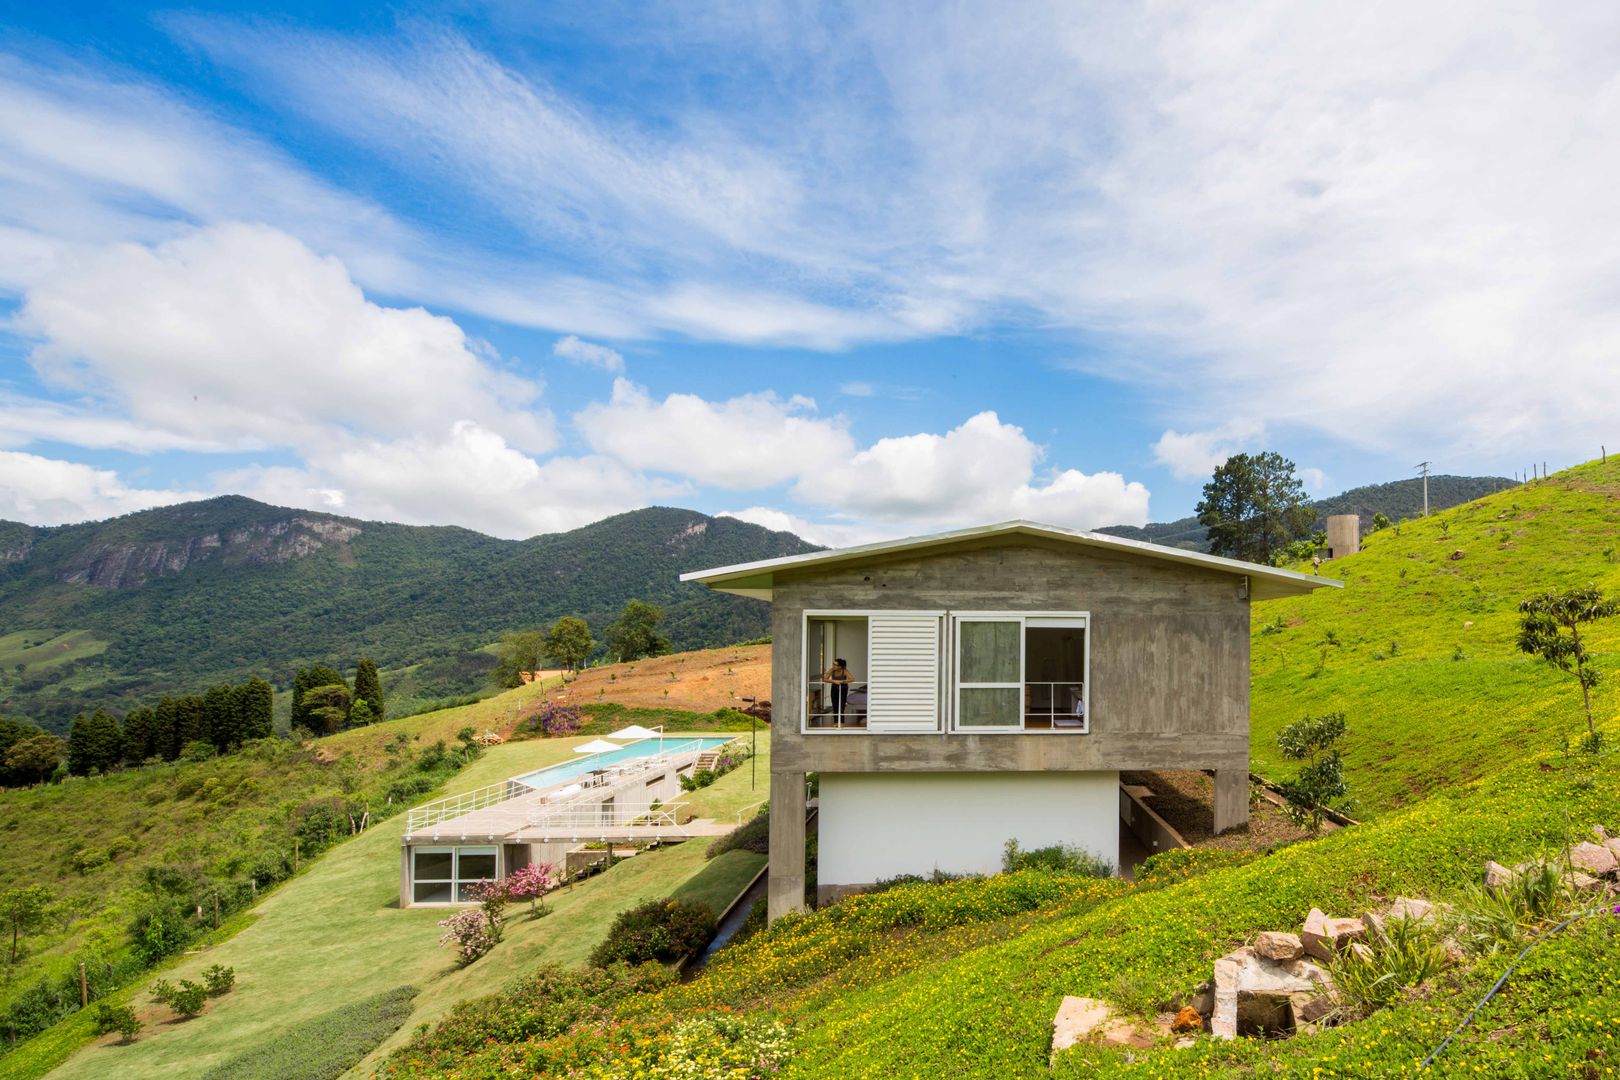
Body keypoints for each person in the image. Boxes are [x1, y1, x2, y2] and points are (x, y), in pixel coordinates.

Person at [823, 657, 852, 724]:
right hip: (834, 688)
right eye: (833, 664)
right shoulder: (832, 670)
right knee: (835, 705)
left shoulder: (844, 671)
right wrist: (834, 681)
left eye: (835, 665)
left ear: (840, 666)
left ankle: (841, 723)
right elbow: (824, 679)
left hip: (843, 688)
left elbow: (852, 679)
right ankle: (836, 722)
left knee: (841, 706)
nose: (833, 666)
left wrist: (842, 681)